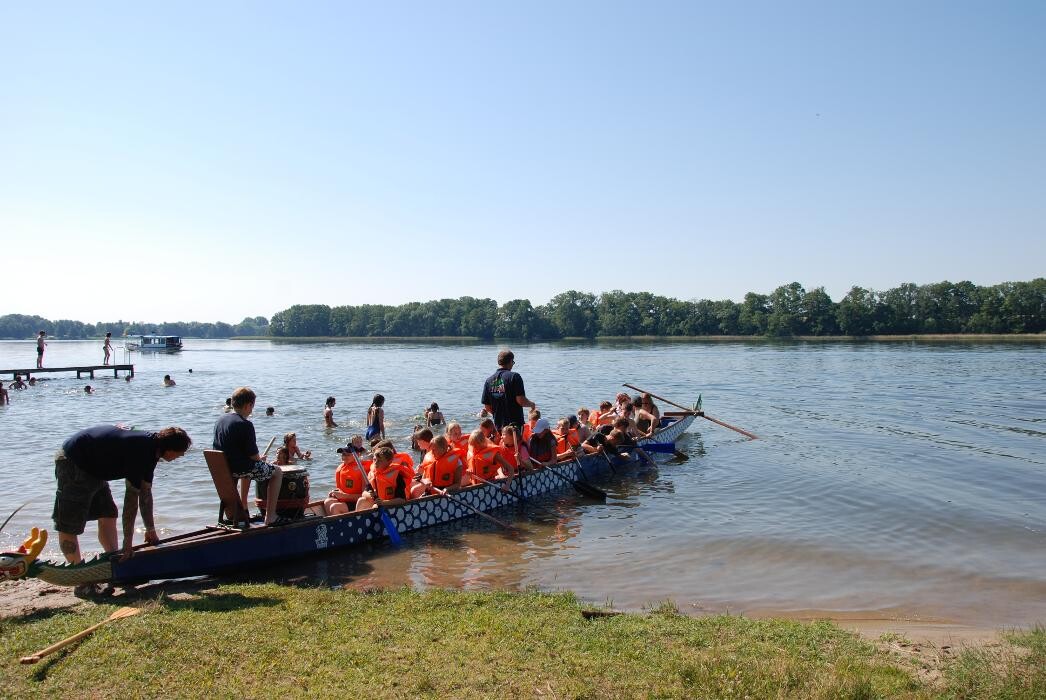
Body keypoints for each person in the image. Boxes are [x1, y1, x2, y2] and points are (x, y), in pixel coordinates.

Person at [52, 424, 191, 592]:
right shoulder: (141, 451)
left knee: (108, 513)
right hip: (73, 460)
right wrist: (128, 543)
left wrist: (151, 529)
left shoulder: (153, 450)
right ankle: (80, 579)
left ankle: (116, 564)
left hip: (95, 467)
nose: (181, 455)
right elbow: (131, 501)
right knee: (69, 523)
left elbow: (145, 494)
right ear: (170, 449)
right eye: (181, 452)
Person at [213, 386, 284, 526]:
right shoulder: (245, 424)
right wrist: (261, 460)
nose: (252, 410)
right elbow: (254, 457)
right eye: (252, 406)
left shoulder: (220, 420)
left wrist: (256, 461)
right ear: (248, 405)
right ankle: (271, 517)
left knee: (250, 469)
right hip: (238, 468)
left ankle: (243, 508)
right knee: (277, 472)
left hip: (224, 468)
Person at [481, 349, 536, 431]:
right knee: (516, 444)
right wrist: (532, 404)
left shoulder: (489, 381)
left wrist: (498, 414)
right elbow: (521, 400)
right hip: (514, 426)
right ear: (510, 361)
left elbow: (487, 407)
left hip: (499, 425)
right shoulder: (514, 377)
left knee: (504, 443)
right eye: (513, 362)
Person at [355, 445, 410, 510]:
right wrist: (369, 494)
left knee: (375, 506)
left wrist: (383, 502)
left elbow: (402, 500)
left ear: (389, 462)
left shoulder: (397, 475)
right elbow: (364, 493)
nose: (376, 463)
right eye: (374, 459)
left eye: (380, 460)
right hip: (379, 503)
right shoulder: (372, 473)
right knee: (361, 501)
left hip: (392, 505)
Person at [324, 438, 369, 515]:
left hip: (358, 502)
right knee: (327, 501)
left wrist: (345, 496)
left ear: (357, 455)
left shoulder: (362, 469)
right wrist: (334, 493)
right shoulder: (341, 468)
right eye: (343, 454)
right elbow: (341, 489)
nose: (344, 457)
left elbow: (364, 496)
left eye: (348, 454)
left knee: (335, 507)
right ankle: (334, 525)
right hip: (346, 500)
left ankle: (341, 526)